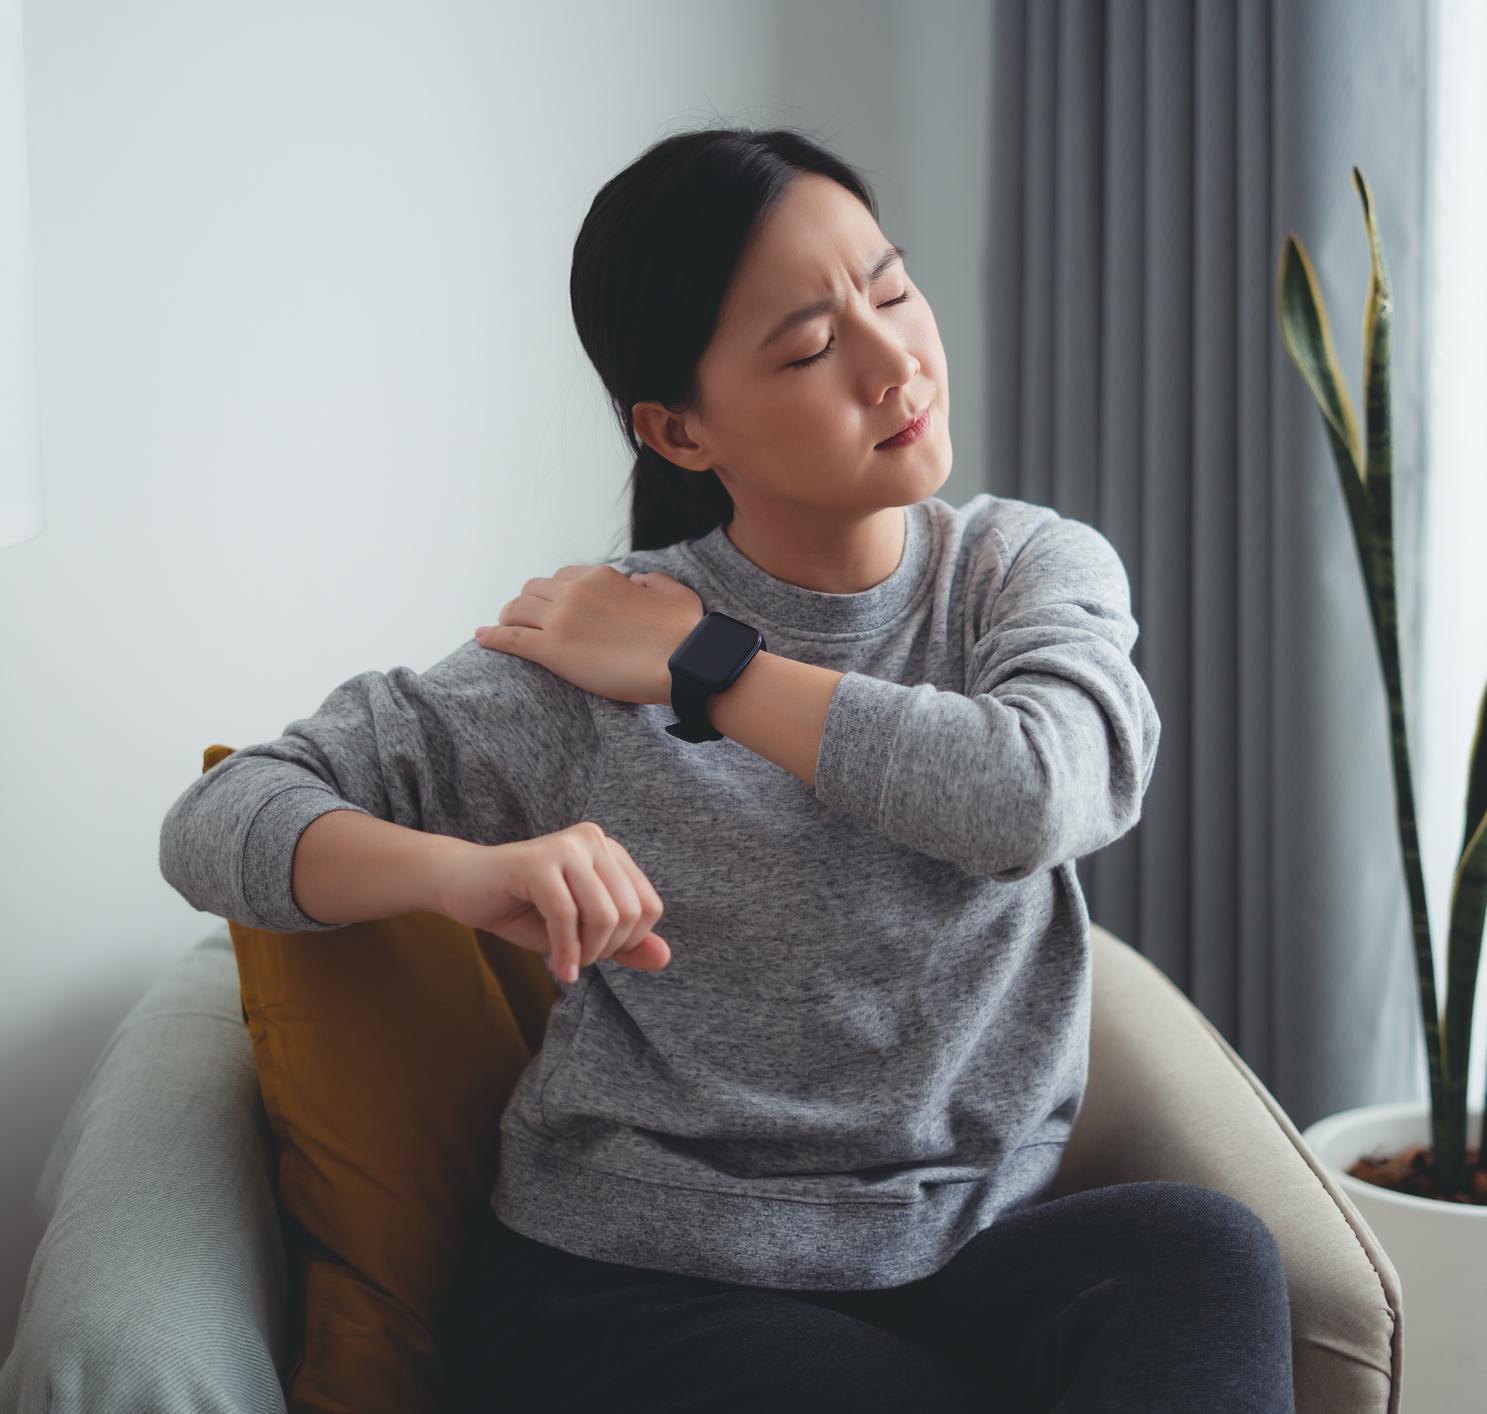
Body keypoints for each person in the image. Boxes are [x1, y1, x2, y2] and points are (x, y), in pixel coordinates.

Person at [160, 123, 1292, 1412]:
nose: (893, 363)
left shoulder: (1017, 572)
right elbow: (218, 819)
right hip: (641, 1289)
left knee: (1204, 1252)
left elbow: (1037, 792)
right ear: (680, 430)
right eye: (809, 348)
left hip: (956, 1254)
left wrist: (708, 665)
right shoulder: (585, 652)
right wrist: (463, 875)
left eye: (891, 291)